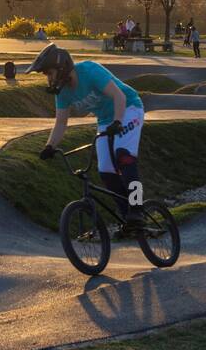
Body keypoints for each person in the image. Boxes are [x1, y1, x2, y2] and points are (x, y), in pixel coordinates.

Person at [31, 44, 145, 235]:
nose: (49, 79)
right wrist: (49, 146)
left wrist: (118, 121)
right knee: (106, 170)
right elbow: (61, 123)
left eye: (49, 73)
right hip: (106, 120)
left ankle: (137, 209)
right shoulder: (63, 93)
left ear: (61, 68)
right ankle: (128, 218)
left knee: (124, 156)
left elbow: (119, 96)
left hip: (128, 108)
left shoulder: (90, 71)